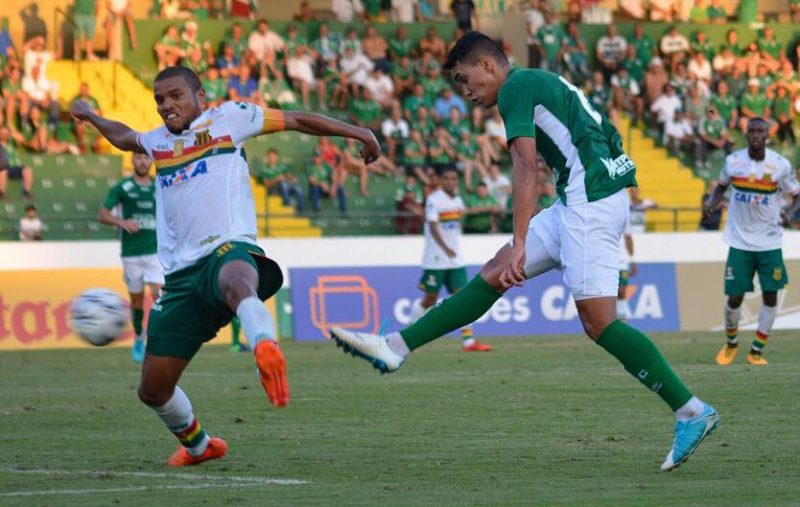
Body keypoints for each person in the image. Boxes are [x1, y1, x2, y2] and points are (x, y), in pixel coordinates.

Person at [331, 31, 718, 472]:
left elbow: (526, 165)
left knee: (599, 323)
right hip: (583, 198)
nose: (465, 92)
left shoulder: (514, 87)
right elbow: (605, 136)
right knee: (496, 271)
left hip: (588, 203)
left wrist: (521, 241)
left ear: (489, 66)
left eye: (465, 79)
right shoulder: (542, 81)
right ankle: (395, 346)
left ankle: (691, 410)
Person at [71, 65, 380, 466]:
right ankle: (200, 445)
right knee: (153, 391)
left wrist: (360, 132)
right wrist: (91, 116)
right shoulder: (157, 143)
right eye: (160, 99)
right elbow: (123, 136)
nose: (167, 105)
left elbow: (298, 119)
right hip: (181, 278)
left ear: (200, 95)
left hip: (228, 249)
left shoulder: (231, 118)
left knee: (237, 282)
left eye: (175, 95)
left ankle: (265, 346)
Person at [703, 118, 800, 367]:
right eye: (752, 131)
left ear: (767, 135)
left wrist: (790, 215)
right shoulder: (733, 162)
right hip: (739, 241)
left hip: (769, 241)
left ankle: (756, 350)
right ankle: (731, 342)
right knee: (735, 297)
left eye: (761, 131)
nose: (756, 135)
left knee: (770, 296)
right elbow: (720, 187)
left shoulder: (780, 165)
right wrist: (712, 202)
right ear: (746, 135)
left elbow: (797, 195)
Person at [409, 167, 492, 352]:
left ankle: (468, 341)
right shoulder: (434, 199)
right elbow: (432, 226)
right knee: (430, 299)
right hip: (436, 257)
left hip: (455, 259)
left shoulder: (457, 200)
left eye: (453, 178)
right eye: (446, 178)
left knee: (463, 297)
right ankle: (408, 333)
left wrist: (487, 208)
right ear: (440, 180)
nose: (450, 181)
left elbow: (463, 213)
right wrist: (446, 248)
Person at [98, 152, 164, 363]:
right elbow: (102, 214)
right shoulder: (122, 187)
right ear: (132, 161)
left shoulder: (161, 186)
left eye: (146, 158)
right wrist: (121, 222)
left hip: (155, 252)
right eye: (138, 158)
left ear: (151, 161)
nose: (142, 162)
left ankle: (158, 342)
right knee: (136, 301)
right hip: (131, 254)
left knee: (159, 296)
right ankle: (138, 338)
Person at [0, 126, 34, 201]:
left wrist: (11, 134)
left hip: (13, 167)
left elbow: (22, 139)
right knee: (3, 170)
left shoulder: (12, 142)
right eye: (2, 133)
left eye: (6, 133)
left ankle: (26, 192)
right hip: (2, 168)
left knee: (28, 170)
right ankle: (1, 193)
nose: (5, 134)